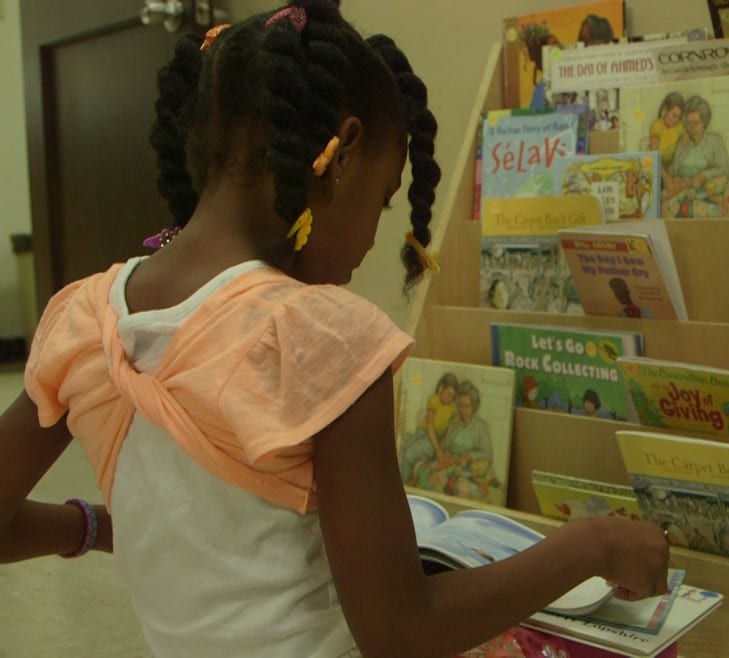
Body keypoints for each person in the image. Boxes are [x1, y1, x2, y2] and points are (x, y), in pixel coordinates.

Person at [0, 3, 670, 657]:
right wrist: (594, 547)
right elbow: (401, 633)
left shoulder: (84, 318)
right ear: (341, 154)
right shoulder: (320, 336)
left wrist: (90, 527)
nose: (373, 238)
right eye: (383, 199)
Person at [662, 95, 729, 218]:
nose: (690, 127)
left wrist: (704, 175)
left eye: (695, 123)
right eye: (688, 122)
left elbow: (725, 169)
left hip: (706, 189)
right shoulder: (683, 141)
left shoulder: (715, 140)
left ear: (705, 122)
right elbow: (674, 168)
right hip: (684, 188)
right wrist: (671, 178)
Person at [398, 372, 459, 484]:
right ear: (441, 388)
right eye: (448, 394)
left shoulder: (452, 408)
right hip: (423, 432)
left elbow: (453, 425)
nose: (449, 399)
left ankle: (402, 483)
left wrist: (438, 449)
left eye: (452, 396)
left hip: (434, 440)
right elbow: (429, 425)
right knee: (403, 449)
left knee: (409, 454)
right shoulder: (433, 400)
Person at [647, 91, 685, 167]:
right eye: (674, 115)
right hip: (657, 164)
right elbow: (654, 153)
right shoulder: (656, 125)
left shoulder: (680, 126)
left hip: (672, 166)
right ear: (666, 109)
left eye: (679, 117)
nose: (676, 120)